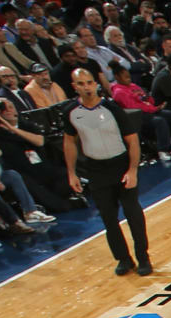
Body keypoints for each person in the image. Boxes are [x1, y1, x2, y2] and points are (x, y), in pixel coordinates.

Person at [61, 66, 149, 274]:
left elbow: (133, 140)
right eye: (81, 84)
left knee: (133, 213)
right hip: (96, 169)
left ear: (96, 83)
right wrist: (71, 172)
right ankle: (123, 259)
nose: (87, 87)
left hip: (120, 164)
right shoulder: (71, 113)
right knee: (108, 218)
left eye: (89, 82)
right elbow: (69, 143)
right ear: (75, 87)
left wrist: (132, 170)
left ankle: (143, 257)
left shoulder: (112, 109)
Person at [108, 63, 171, 162]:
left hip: (151, 110)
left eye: (129, 76)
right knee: (160, 121)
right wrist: (154, 109)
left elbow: (150, 101)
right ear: (117, 77)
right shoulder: (118, 92)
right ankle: (162, 150)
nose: (129, 78)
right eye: (126, 77)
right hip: (138, 117)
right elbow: (134, 107)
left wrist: (148, 98)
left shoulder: (133, 86)